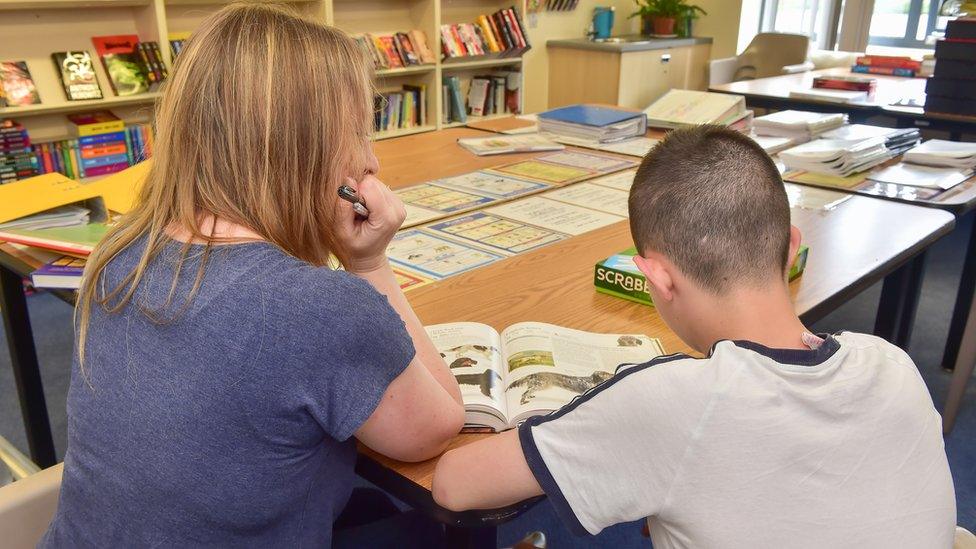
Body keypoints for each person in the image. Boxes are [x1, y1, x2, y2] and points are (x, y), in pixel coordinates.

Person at [41, 5, 464, 547]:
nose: (372, 161)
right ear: (300, 150)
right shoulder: (317, 307)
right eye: (359, 133)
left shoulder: (119, 254)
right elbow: (438, 424)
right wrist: (369, 264)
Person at [431, 125, 956, 548]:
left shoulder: (675, 401)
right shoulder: (893, 363)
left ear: (655, 277)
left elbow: (455, 485)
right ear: (791, 246)